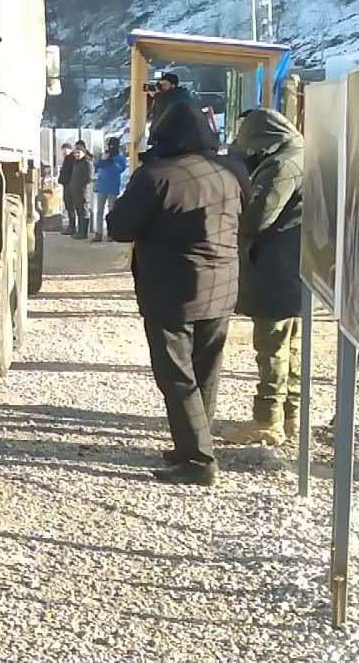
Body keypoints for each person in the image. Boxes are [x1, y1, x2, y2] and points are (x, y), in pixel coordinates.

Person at [107, 101, 249, 487]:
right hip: (221, 286)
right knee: (206, 372)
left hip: (171, 289)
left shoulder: (156, 175)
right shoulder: (232, 171)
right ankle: (191, 446)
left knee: (176, 376)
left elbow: (119, 227)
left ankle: (199, 460)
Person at [219, 108, 306, 447]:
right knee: (290, 347)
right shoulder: (300, 154)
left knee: (271, 348)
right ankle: (290, 416)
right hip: (292, 267)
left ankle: (267, 421)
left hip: (276, 267)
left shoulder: (283, 165)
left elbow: (258, 217)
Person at [92, 137, 127, 243]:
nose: (111, 147)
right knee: (99, 211)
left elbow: (120, 169)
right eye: (109, 145)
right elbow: (96, 165)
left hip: (113, 186)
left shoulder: (120, 157)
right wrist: (102, 159)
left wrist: (111, 161)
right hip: (102, 185)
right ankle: (98, 233)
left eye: (113, 145)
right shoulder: (105, 154)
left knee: (112, 211)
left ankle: (111, 233)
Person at [64, 143, 94, 241]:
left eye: (79, 153)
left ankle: (83, 232)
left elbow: (89, 178)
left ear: (83, 153)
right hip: (75, 191)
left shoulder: (87, 163)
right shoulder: (77, 162)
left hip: (83, 192)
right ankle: (80, 231)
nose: (77, 154)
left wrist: (82, 186)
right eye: (76, 153)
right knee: (79, 211)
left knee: (83, 211)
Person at [57, 143, 78, 234]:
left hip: (70, 185)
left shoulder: (72, 158)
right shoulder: (67, 158)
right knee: (68, 206)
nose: (64, 151)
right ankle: (71, 226)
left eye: (66, 149)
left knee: (71, 206)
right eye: (63, 150)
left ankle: (72, 227)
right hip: (66, 184)